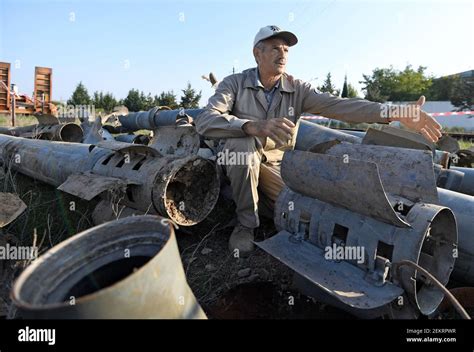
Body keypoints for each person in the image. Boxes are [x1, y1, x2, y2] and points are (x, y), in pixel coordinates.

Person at [195, 25, 442, 255]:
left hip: (278, 164)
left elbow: (341, 106)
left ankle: (269, 205)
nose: (282, 54)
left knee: (305, 214)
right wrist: (251, 126)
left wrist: (394, 112)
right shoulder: (234, 84)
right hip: (240, 158)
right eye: (274, 48)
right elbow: (206, 120)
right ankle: (246, 223)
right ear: (257, 53)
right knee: (243, 145)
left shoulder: (297, 88)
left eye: (286, 49)